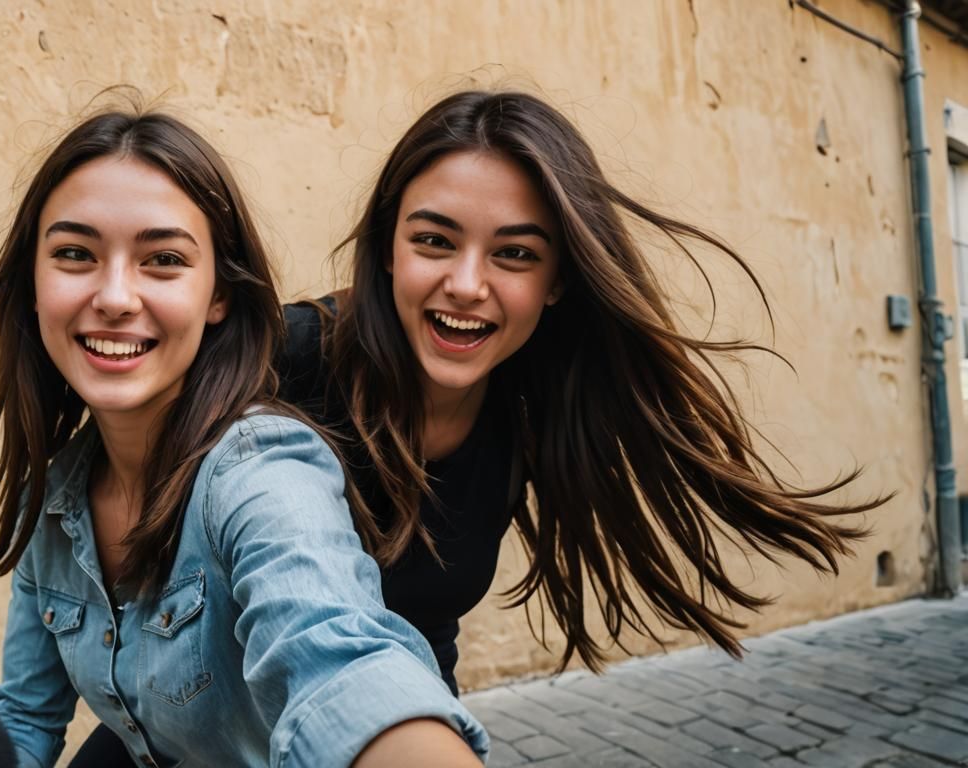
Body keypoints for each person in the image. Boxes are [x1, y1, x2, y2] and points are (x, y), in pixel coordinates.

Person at [71, 89, 886, 762]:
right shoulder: (281, 364)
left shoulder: (532, 412)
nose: (466, 284)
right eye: (434, 240)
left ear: (559, 280)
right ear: (388, 247)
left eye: (516, 254)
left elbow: (425, 634)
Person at [0, 107, 489, 768]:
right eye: (75, 254)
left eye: (163, 259)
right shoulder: (49, 501)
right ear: (34, 287)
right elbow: (24, 716)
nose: (114, 296)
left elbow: (337, 659)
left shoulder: (263, 470)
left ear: (218, 293)